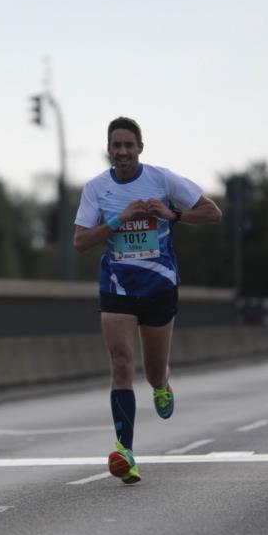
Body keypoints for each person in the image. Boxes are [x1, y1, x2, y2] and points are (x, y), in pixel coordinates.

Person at [73, 117, 222, 484]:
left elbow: (213, 212)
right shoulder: (96, 189)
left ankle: (162, 384)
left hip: (158, 286)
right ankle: (126, 451)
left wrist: (174, 215)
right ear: (109, 150)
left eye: (129, 145)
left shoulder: (162, 179)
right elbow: (80, 241)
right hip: (117, 285)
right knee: (122, 362)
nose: (122, 152)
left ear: (140, 147)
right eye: (116, 145)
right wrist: (118, 220)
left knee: (153, 370)